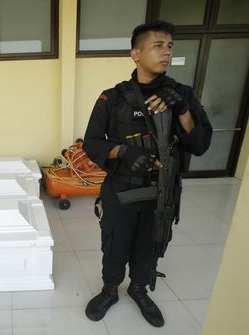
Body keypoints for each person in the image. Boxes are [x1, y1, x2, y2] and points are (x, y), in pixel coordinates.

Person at [82, 21, 212, 327]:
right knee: (115, 242)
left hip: (162, 191)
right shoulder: (112, 98)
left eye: (169, 46)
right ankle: (110, 289)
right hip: (122, 189)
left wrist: (182, 110)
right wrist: (125, 153)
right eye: (158, 45)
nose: (166, 51)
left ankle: (139, 288)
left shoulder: (183, 95)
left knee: (151, 244)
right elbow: (92, 142)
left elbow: (200, 144)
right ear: (135, 54)